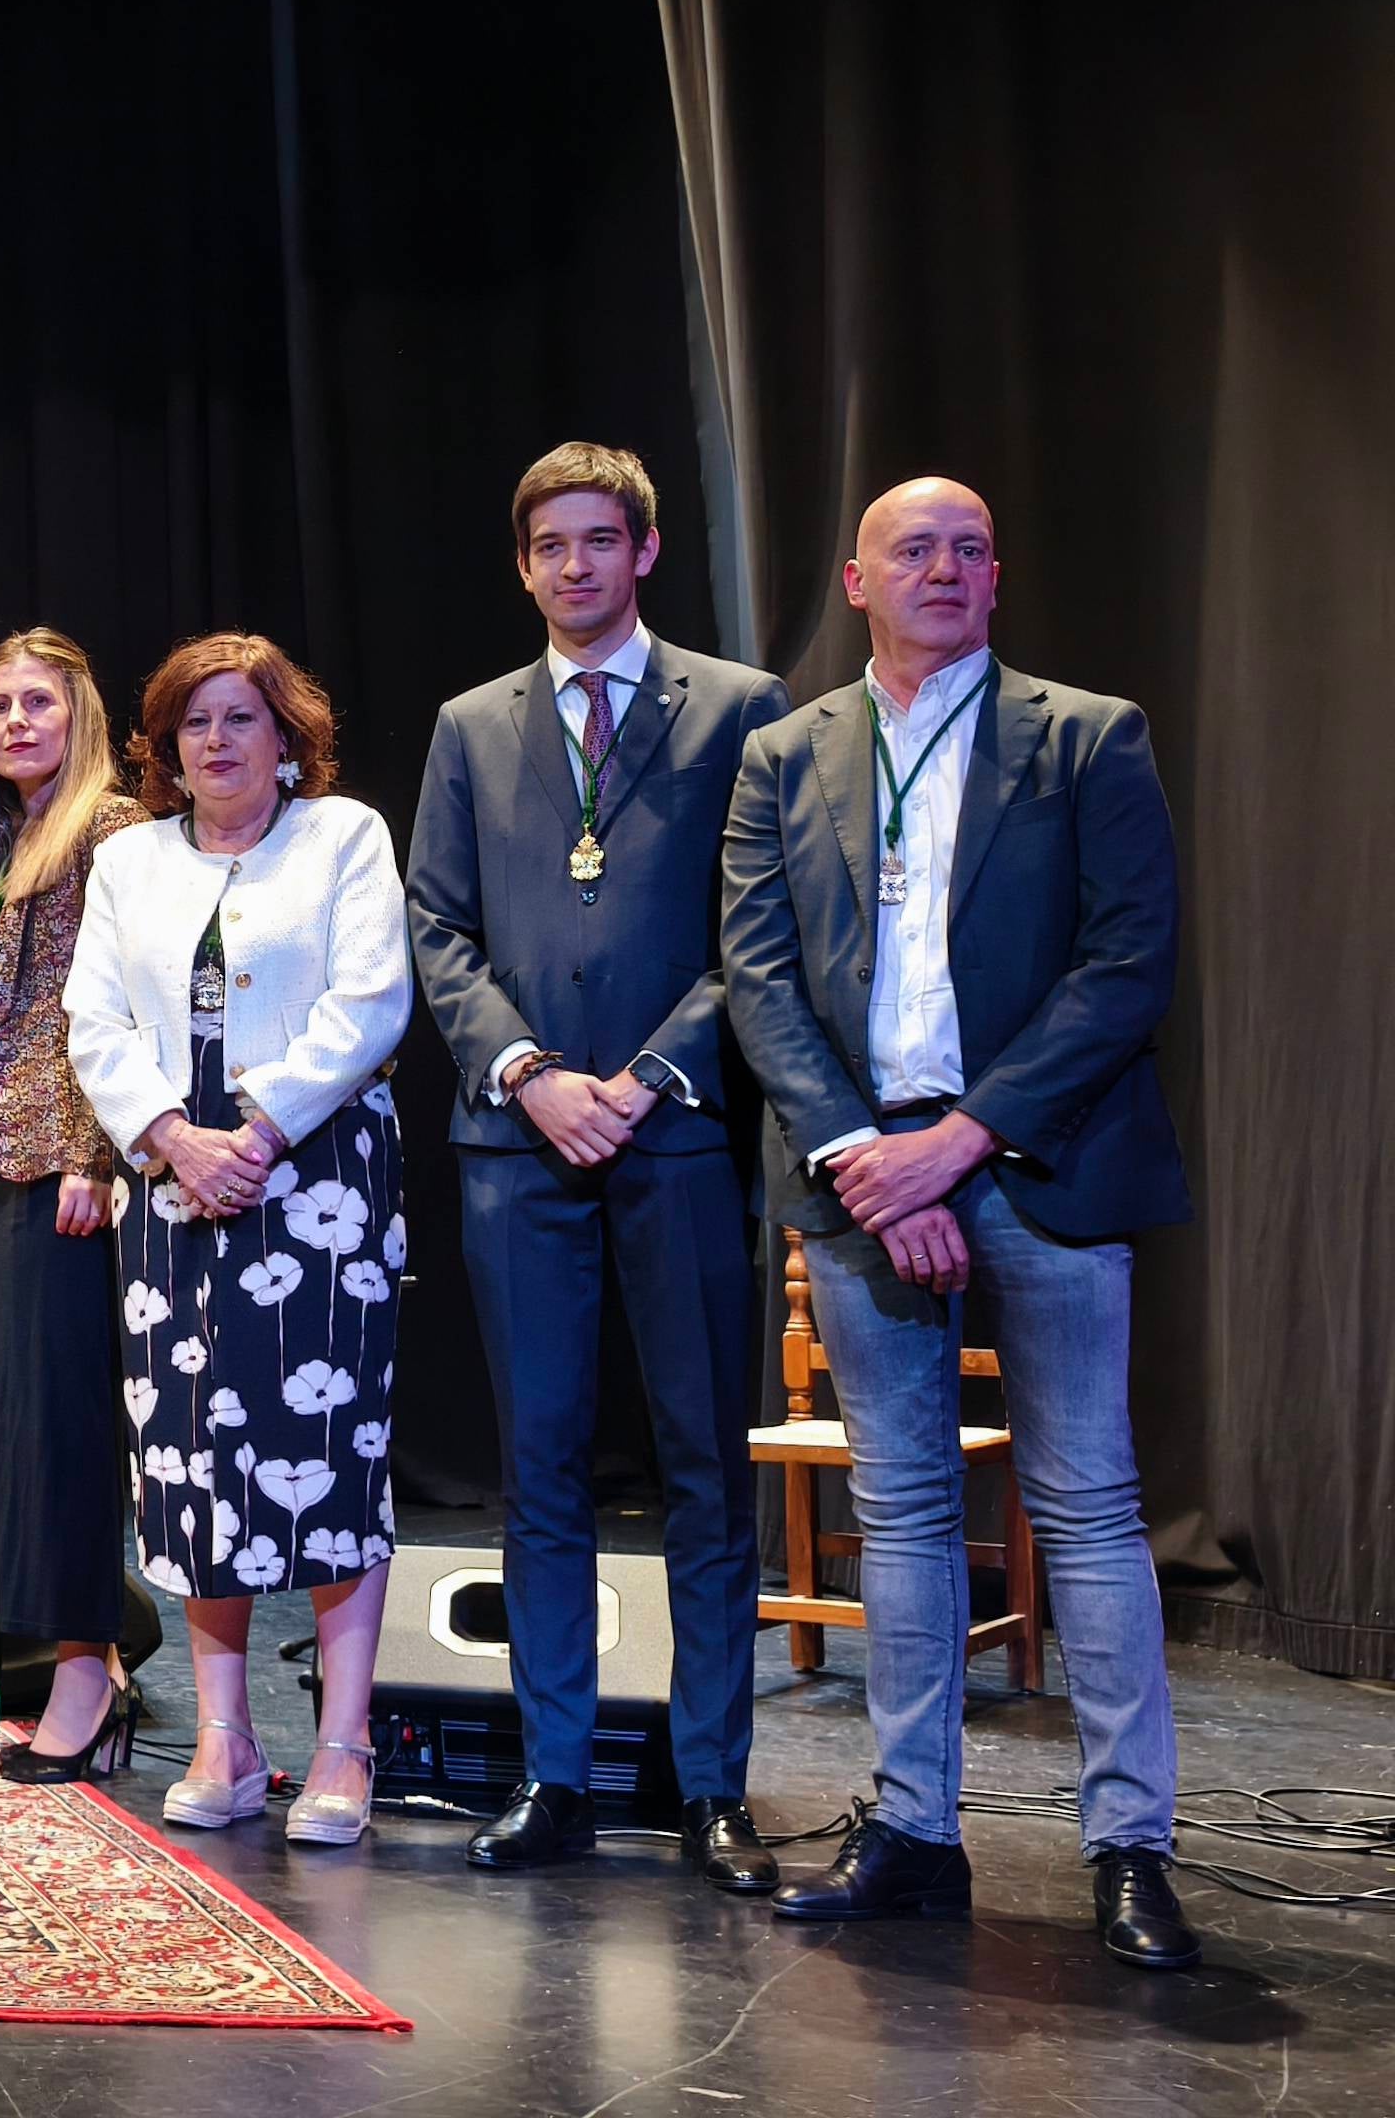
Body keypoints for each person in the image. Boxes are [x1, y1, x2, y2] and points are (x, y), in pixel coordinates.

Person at [722, 477, 1198, 1969]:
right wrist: (873, 1155)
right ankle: (914, 1832)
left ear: (999, 577)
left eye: (970, 549)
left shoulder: (1085, 735)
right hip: (864, 1178)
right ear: (856, 579)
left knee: (1088, 1504)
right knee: (909, 1509)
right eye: (911, 549)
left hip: (1039, 1164)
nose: (944, 567)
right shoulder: (785, 755)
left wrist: (962, 1145)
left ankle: (1131, 1846)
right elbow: (761, 978)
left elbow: (1127, 967)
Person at [407, 444, 792, 1890]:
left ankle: (714, 1789)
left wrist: (636, 1082)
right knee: (541, 1472)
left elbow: (755, 932)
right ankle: (554, 1774)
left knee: (704, 1468)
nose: (574, 566)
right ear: (524, 566)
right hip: (516, 1142)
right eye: (548, 546)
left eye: (597, 541)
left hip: (676, 1134)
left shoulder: (738, 710)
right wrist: (529, 1074)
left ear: (642, 552)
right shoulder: (470, 725)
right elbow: (436, 924)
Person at [65, 633, 411, 1846]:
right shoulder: (130, 862)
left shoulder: (344, 837)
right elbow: (92, 1019)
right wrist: (172, 1134)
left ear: (286, 736)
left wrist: (255, 1132)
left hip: (316, 1179)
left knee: (326, 1449)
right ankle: (224, 1736)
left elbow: (370, 1001)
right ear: (165, 748)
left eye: (240, 719)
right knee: (192, 1464)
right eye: (194, 723)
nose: (217, 741)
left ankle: (342, 1744)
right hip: (171, 1189)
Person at [0, 631, 149, 1781]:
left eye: (37, 704)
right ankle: (73, 1659)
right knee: (13, 1423)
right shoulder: (3, 836)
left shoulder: (110, 830)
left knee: (60, 1425)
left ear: (79, 714)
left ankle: (87, 1672)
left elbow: (114, 1012)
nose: (15, 722)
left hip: (58, 1164)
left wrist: (91, 1158)